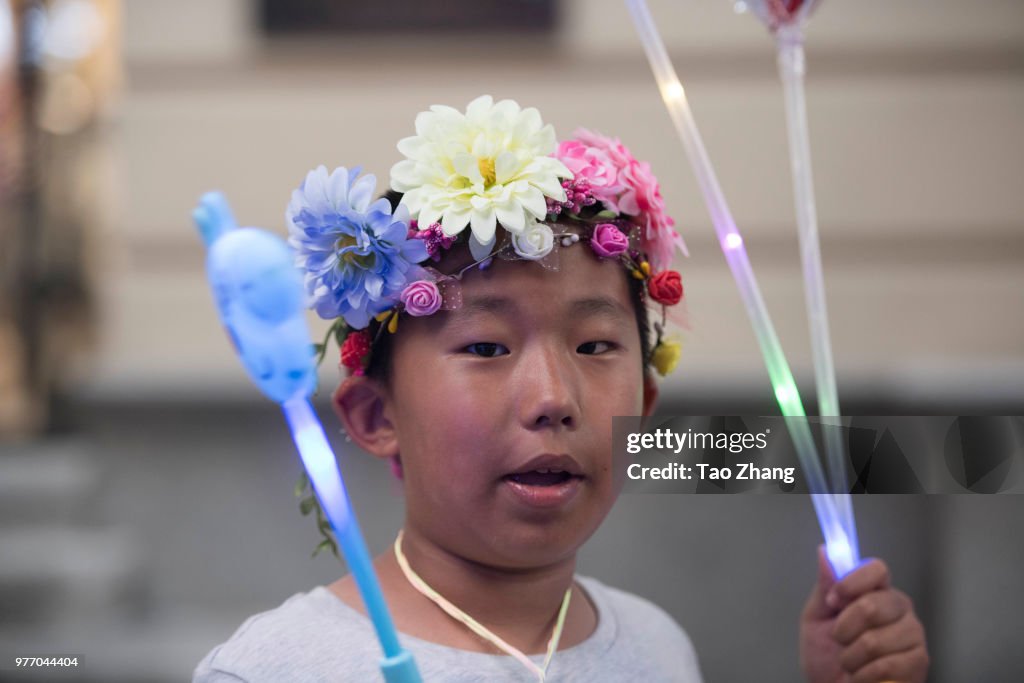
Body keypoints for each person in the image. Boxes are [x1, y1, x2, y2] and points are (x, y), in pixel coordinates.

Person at [193, 96, 928, 682]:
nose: (554, 396)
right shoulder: (272, 669)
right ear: (376, 414)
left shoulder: (659, 648)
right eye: (485, 345)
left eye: (594, 345)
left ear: (643, 406)